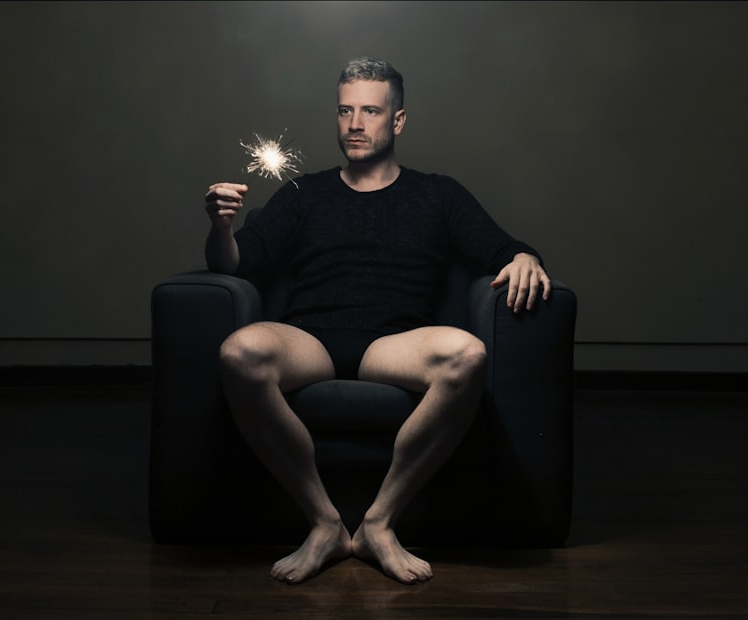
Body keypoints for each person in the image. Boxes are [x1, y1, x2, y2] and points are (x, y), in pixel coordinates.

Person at [204, 57, 551, 585]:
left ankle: (378, 524)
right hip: (310, 340)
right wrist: (220, 225)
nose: (355, 124)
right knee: (238, 352)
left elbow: (500, 246)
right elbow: (234, 263)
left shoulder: (438, 193)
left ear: (399, 119)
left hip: (393, 343)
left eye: (370, 110)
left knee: (468, 354)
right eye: (345, 111)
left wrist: (526, 257)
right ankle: (322, 522)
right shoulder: (304, 193)